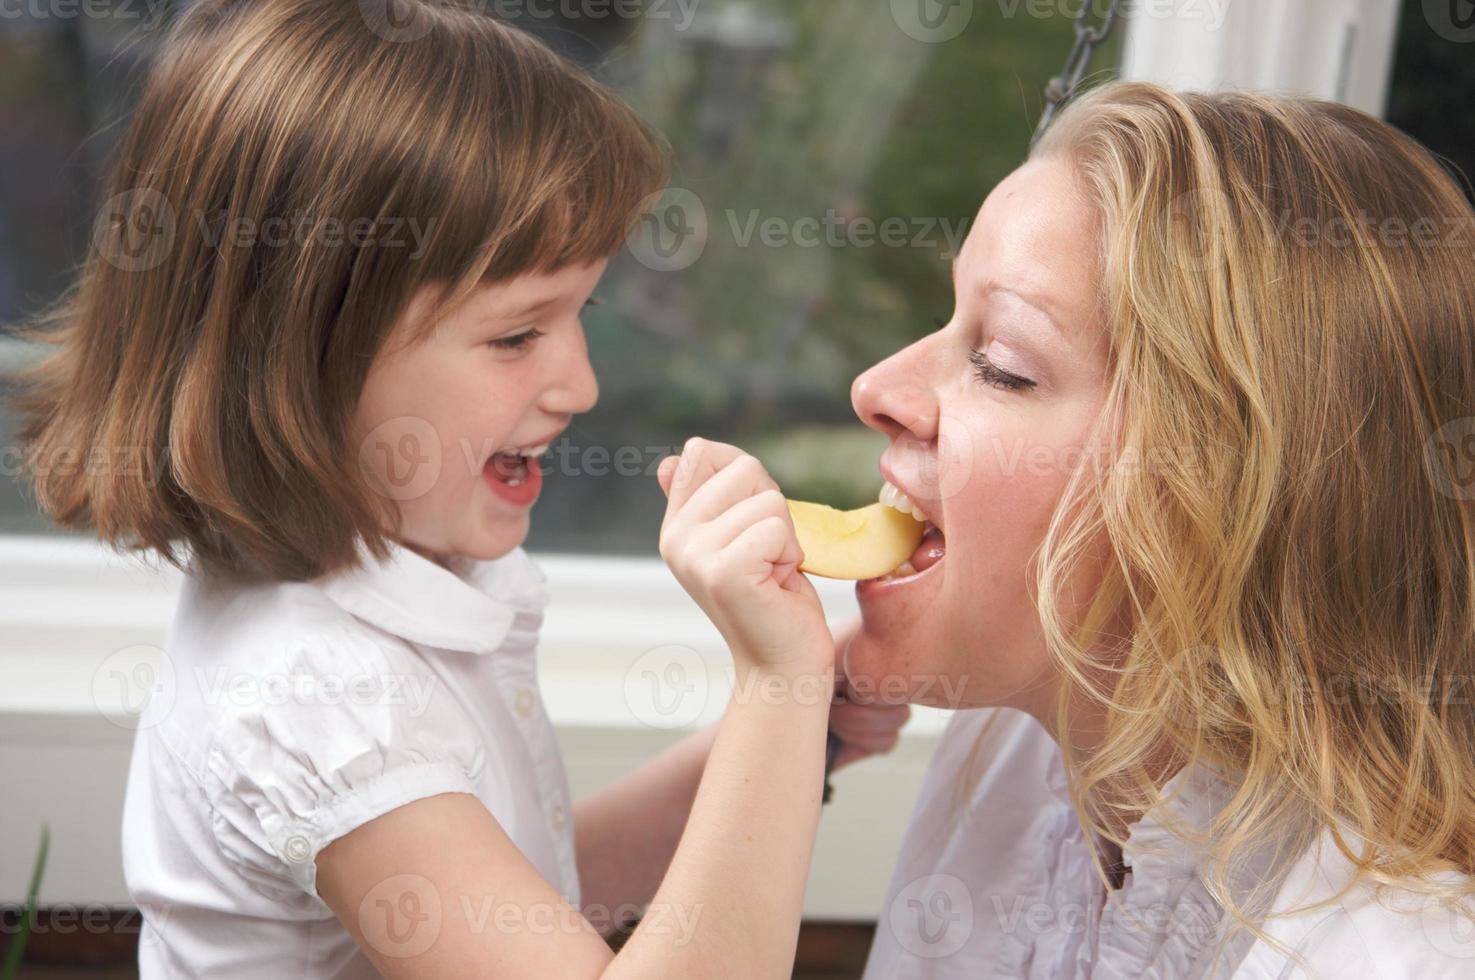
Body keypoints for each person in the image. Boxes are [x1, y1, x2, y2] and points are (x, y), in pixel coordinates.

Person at [2, 1, 905, 976]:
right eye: (516, 334)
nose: (580, 385)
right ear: (305, 360)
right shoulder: (318, 692)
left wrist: (785, 741)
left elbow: (519, 898)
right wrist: (778, 685)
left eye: (579, 312)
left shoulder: (384, 588)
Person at [843, 80, 1475, 978]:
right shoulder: (1010, 756)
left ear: (1212, 501)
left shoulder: (1388, 955)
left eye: (1000, 365)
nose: (875, 388)